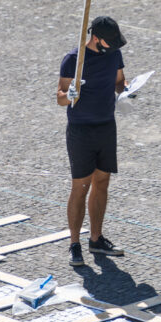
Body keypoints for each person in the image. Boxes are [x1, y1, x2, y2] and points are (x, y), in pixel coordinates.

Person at [57, 16, 129, 267]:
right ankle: (74, 243)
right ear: (95, 38)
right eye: (108, 42)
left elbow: (120, 81)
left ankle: (96, 239)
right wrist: (70, 95)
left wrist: (127, 90)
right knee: (80, 186)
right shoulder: (73, 60)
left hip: (106, 126)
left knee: (102, 182)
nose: (112, 47)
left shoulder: (113, 55)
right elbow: (60, 97)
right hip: (81, 129)